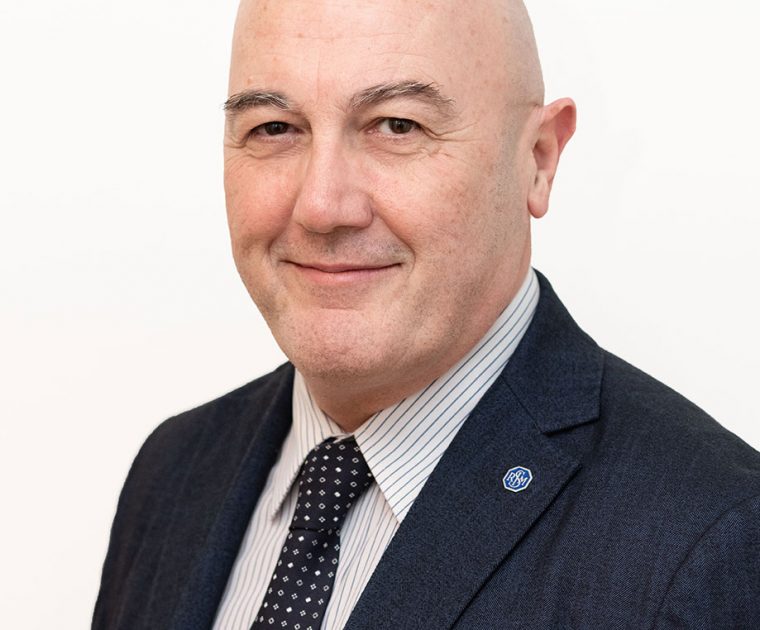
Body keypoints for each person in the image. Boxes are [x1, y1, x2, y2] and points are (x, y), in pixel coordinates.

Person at [93, 1, 760, 628]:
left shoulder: (707, 543)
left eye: (397, 126)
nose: (322, 206)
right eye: (274, 128)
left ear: (538, 159)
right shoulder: (174, 472)